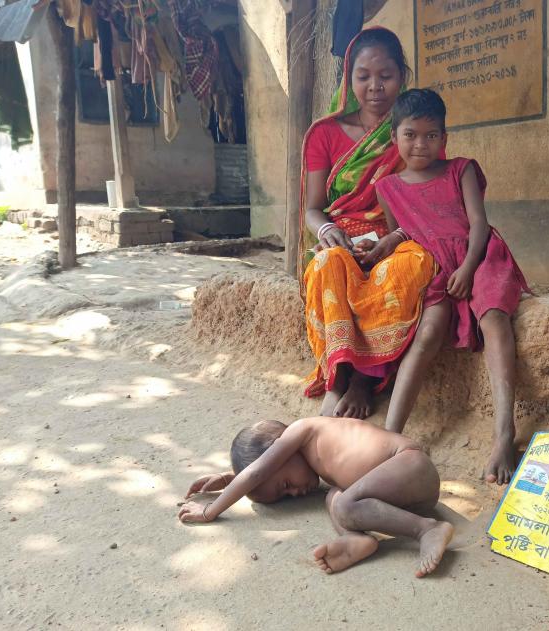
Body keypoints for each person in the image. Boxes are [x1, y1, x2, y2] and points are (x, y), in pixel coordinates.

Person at [369, 89, 531, 487]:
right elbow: (406, 231)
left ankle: (504, 435)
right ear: (395, 137)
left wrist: (470, 266)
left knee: (494, 319)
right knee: (426, 334)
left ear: (444, 138)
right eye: (410, 134)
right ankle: (389, 437)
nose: (420, 144)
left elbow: (477, 222)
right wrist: (388, 243)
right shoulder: (387, 187)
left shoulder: (462, 169)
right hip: (436, 269)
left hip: (479, 255)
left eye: (430, 135)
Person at [300, 27, 438, 420]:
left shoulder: (416, 130)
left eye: (386, 76)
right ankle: (338, 377)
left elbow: (428, 199)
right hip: (340, 235)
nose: (375, 87)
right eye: (363, 76)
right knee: (330, 265)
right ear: (349, 78)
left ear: (402, 76)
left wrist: (391, 239)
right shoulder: (323, 134)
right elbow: (313, 208)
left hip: (399, 233)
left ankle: (364, 380)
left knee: (409, 267)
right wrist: (329, 233)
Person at [177, 417, 454, 577]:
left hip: (411, 466)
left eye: (285, 484)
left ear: (277, 451)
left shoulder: (302, 430)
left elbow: (257, 472)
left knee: (344, 503)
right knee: (333, 495)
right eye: (287, 495)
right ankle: (357, 538)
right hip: (399, 494)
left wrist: (209, 511)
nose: (295, 493)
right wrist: (229, 478)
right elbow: (258, 472)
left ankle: (426, 529)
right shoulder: (306, 455)